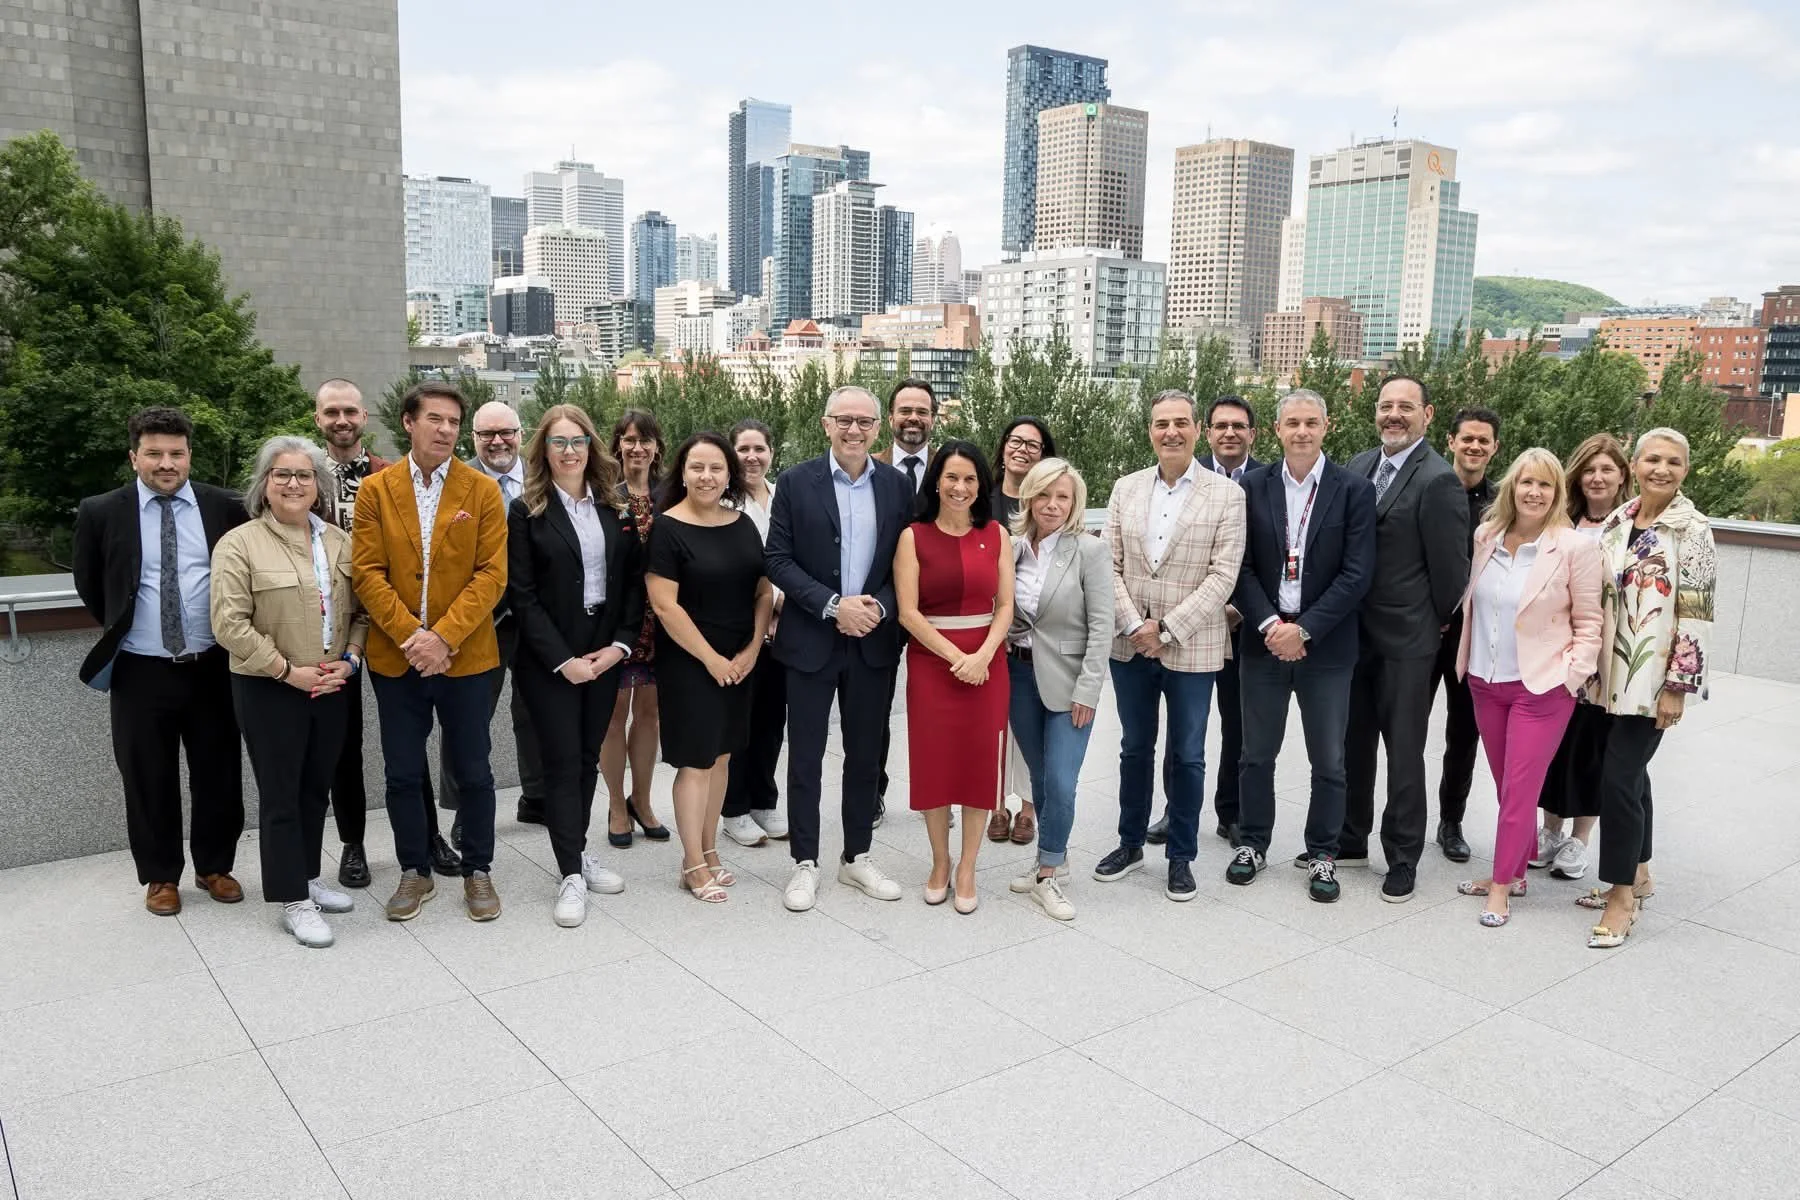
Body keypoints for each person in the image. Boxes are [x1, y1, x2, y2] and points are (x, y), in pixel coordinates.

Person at [73, 407, 249, 915]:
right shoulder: (102, 511)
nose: (166, 463)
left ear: (190, 455)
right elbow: (91, 585)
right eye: (154, 453)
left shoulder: (226, 507)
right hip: (139, 667)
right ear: (134, 457)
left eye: (176, 453)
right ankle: (160, 876)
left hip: (213, 664)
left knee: (218, 771)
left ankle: (215, 866)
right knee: (147, 775)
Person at [351, 380, 510, 922]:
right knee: (401, 770)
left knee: (474, 769)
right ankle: (414, 870)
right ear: (408, 423)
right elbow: (367, 572)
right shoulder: (376, 490)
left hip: (465, 656)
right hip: (397, 659)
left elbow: (492, 575)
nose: (446, 430)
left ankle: (478, 869)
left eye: (453, 422)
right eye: (435, 419)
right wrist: (412, 638)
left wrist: (442, 637)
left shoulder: (481, 490)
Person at [209, 437, 367, 947]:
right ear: (265, 484)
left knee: (315, 789)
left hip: (331, 685)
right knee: (280, 794)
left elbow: (360, 615)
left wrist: (351, 660)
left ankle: (307, 877)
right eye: (283, 475)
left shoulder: (340, 543)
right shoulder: (240, 544)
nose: (294, 484)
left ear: (318, 486)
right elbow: (228, 624)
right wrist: (286, 671)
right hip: (270, 688)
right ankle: (291, 898)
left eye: (304, 475)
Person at [765, 385, 914, 912]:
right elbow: (777, 559)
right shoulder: (794, 481)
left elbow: (908, 565)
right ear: (826, 424)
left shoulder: (898, 487)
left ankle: (857, 856)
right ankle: (805, 861)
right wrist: (832, 605)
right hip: (809, 639)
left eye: (865, 422)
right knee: (804, 756)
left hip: (873, 641)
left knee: (864, 756)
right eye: (844, 420)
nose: (855, 431)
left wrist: (879, 608)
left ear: (879, 428)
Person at [1095, 389, 1246, 902]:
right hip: (1131, 645)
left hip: (1193, 646)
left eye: (1181, 422)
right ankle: (1129, 842)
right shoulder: (1125, 489)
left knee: (1188, 754)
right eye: (1161, 424)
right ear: (1150, 431)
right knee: (1134, 748)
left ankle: (1181, 856)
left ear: (1198, 429)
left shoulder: (1228, 496)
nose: (1171, 432)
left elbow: (1223, 576)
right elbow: (1108, 566)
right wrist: (1138, 625)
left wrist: (1167, 630)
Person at [1227, 391, 1375, 903]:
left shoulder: (1353, 490)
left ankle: (1324, 852)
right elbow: (1238, 566)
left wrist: (1304, 629)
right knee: (1255, 755)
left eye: (1311, 422)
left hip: (1327, 647)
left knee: (1329, 760)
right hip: (1263, 641)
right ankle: (1252, 843)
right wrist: (1271, 624)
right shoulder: (1251, 486)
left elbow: (1357, 574)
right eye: (1293, 423)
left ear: (1326, 426)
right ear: (1276, 429)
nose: (1302, 431)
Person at [1451, 448, 1603, 927]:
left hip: (1540, 689)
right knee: (1505, 785)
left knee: (1520, 791)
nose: (1534, 492)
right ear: (1511, 488)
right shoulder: (1486, 536)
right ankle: (1515, 868)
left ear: (1558, 493)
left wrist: (1570, 676)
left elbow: (1590, 621)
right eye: (1526, 483)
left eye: (1545, 485)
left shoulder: (1573, 547)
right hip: (1484, 681)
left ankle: (1501, 885)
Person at [505, 406, 641, 928]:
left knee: (587, 759)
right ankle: (570, 875)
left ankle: (577, 852)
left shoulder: (615, 507)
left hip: (603, 651)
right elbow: (523, 596)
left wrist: (619, 648)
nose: (568, 451)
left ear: (591, 447)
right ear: (543, 450)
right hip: (551, 659)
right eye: (558, 442)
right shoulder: (527, 511)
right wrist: (564, 661)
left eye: (577, 441)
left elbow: (631, 584)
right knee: (561, 762)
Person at [1337, 375, 1470, 903]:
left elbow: (1452, 573)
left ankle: (1402, 855)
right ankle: (1350, 838)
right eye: (1386, 406)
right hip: (1353, 637)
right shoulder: (1358, 465)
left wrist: (1428, 622)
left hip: (1408, 642)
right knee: (1353, 743)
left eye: (1405, 408)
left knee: (1404, 752)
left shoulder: (1438, 480)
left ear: (1427, 414)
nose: (1394, 415)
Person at [1584, 428, 1715, 949]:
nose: (1663, 469)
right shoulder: (1618, 520)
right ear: (1635, 464)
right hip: (1609, 673)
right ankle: (1640, 872)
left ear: (1685, 470)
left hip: (1653, 678)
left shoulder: (1693, 529)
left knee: (1618, 780)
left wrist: (1678, 686)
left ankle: (1621, 896)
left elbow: (1698, 612)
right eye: (1654, 459)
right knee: (1631, 776)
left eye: (1674, 462)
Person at [646, 433, 774, 903]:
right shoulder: (667, 528)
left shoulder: (742, 524)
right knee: (696, 761)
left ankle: (710, 849)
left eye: (716, 468)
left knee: (722, 757)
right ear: (682, 473)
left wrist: (752, 650)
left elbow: (763, 591)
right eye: (697, 468)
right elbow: (666, 607)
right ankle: (691, 861)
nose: (707, 477)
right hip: (690, 661)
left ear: (729, 474)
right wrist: (712, 660)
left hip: (739, 660)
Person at [896, 441, 1014, 914]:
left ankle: (968, 866)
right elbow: (907, 611)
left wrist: (982, 654)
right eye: (951, 478)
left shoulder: (997, 534)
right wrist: (955, 658)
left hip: (988, 663)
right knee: (936, 764)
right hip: (932, 662)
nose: (960, 487)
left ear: (980, 485)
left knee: (978, 766)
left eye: (969, 479)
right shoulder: (914, 537)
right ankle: (939, 862)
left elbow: (1004, 605)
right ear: (936, 482)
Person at [1149, 395, 1264, 848]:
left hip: (1245, 623)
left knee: (1238, 726)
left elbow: (1268, 558)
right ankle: (1174, 810)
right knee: (1182, 727)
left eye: (1239, 426)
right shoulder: (1182, 476)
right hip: (1187, 627)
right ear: (1206, 432)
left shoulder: (1271, 481)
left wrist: (1243, 609)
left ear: (1253, 433)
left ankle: (1230, 812)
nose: (1229, 433)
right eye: (1220, 426)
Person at [1002, 458, 1111, 921]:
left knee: (1062, 781)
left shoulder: (1089, 550)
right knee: (1041, 778)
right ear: (1028, 496)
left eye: (1062, 496)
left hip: (1069, 682)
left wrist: (1089, 688)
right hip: (1019, 676)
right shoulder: (1008, 548)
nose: (1052, 504)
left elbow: (1102, 625)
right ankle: (1054, 858)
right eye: (1044, 494)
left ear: (1074, 502)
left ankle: (1047, 875)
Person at [1534, 432, 1633, 879]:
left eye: (1606, 470)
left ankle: (1579, 840)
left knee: (1593, 747)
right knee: (1552, 745)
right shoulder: (1561, 522)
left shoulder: (1631, 526)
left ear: (1621, 476)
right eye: (1589, 470)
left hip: (1605, 657)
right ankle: (1549, 830)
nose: (1597, 478)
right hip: (1555, 652)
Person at [313, 378, 393, 889]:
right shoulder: (302, 475)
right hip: (327, 629)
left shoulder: (391, 475)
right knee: (342, 746)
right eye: (331, 412)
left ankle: (425, 832)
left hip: (389, 623)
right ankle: (353, 843)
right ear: (318, 419)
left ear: (364, 417)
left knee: (407, 735)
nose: (342, 420)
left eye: (350, 411)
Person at [462, 400, 548, 832]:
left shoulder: (543, 477)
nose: (497, 441)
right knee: (471, 715)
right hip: (479, 618)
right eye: (486, 434)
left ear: (521, 433)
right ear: (473, 438)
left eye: (506, 432)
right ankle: (465, 811)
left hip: (536, 614)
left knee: (536, 710)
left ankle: (536, 797)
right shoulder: (457, 482)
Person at [1429, 407, 1501, 865]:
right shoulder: (1430, 490)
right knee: (1405, 730)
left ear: (1494, 448)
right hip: (1423, 630)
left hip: (1473, 636)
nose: (1474, 446)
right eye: (1467, 438)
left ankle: (1450, 821)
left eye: (1483, 441)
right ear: (1451, 441)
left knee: (1464, 733)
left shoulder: (1503, 504)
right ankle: (1404, 816)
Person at [601, 410, 672, 846]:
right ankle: (614, 804)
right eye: (629, 440)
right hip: (617, 621)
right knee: (613, 716)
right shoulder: (604, 496)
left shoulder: (672, 496)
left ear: (657, 447)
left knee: (650, 715)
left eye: (645, 440)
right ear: (617, 446)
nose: (637, 447)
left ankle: (642, 800)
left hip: (663, 621)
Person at [720, 419, 791, 848]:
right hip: (740, 626)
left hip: (785, 630)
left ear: (771, 453)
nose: (751, 456)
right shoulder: (723, 501)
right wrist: (774, 603)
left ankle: (765, 799)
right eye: (743, 448)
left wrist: (789, 605)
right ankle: (733, 808)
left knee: (772, 719)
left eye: (759, 449)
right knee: (738, 721)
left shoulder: (785, 496)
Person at [873, 377, 940, 824]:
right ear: (891, 418)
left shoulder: (950, 468)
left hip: (936, 610)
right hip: (880, 606)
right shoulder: (868, 465)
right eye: (905, 411)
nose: (913, 419)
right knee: (874, 706)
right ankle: (873, 791)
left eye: (922, 411)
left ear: (934, 418)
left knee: (938, 705)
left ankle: (938, 791)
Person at [988, 415, 1055, 844]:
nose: (1023, 449)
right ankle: (994, 804)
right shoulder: (982, 499)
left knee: (1033, 727)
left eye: (1034, 444)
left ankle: (1028, 810)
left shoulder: (1048, 506)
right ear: (1003, 448)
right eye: (1016, 441)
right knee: (994, 726)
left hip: (1035, 639)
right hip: (986, 634)